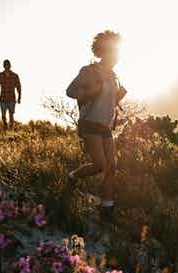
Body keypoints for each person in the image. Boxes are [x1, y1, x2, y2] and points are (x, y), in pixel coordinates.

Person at [66, 30, 127, 222]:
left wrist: (118, 96)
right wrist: (90, 91)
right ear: (102, 51)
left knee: (111, 167)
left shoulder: (115, 76)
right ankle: (73, 176)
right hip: (89, 123)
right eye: (112, 51)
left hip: (105, 126)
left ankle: (106, 209)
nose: (116, 56)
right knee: (100, 165)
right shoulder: (89, 71)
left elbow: (108, 100)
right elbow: (70, 91)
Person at [0, 59, 21, 130]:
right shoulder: (0, 75)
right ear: (3, 66)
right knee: (3, 115)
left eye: (8, 65)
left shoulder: (15, 76)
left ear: (10, 66)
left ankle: (11, 128)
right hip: (2, 98)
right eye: (5, 65)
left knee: (11, 115)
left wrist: (19, 97)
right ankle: (5, 127)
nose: (7, 67)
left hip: (12, 98)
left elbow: (18, 87)